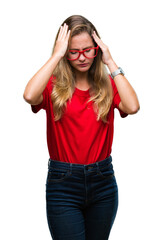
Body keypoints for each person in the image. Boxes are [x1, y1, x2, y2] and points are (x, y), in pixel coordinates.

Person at [23, 15, 140, 240]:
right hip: (63, 184)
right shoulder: (53, 85)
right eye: (73, 51)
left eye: (88, 50)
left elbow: (133, 107)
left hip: (103, 182)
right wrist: (56, 55)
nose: (82, 57)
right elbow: (29, 95)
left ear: (97, 49)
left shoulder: (108, 84)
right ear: (65, 52)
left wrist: (111, 62)